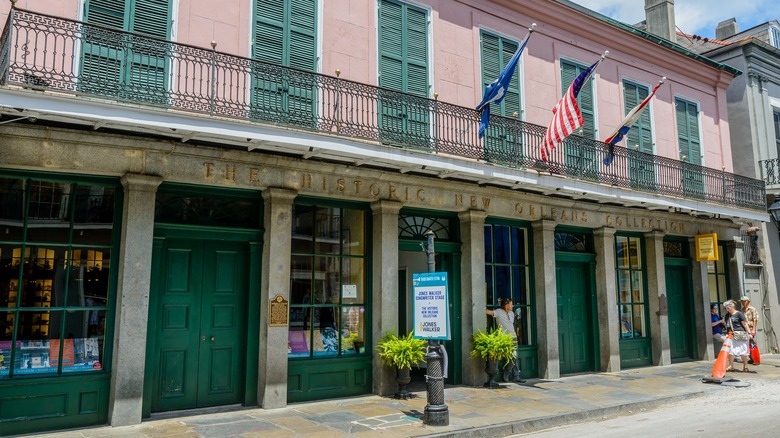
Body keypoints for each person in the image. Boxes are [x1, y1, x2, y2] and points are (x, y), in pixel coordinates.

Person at [486, 297, 525, 383]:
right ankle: (507, 373)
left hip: (513, 338)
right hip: (504, 339)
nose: (513, 305)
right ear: (506, 305)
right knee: (510, 357)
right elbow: (489, 312)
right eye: (511, 304)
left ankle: (514, 375)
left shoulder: (511, 313)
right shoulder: (499, 312)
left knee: (514, 356)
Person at [723, 300, 753, 373]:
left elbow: (745, 324)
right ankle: (731, 366)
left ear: (732, 307)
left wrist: (749, 333)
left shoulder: (739, 314)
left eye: (727, 308)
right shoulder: (727, 315)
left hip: (740, 334)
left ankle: (745, 366)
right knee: (730, 351)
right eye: (725, 308)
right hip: (730, 335)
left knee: (743, 350)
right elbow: (726, 324)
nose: (726, 309)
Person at [740, 295, 759, 364]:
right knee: (747, 344)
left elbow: (755, 319)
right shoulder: (742, 310)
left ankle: (756, 359)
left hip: (750, 327)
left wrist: (753, 329)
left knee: (753, 343)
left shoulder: (752, 309)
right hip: (744, 328)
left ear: (748, 301)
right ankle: (751, 358)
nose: (743, 302)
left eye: (744, 301)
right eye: (742, 301)